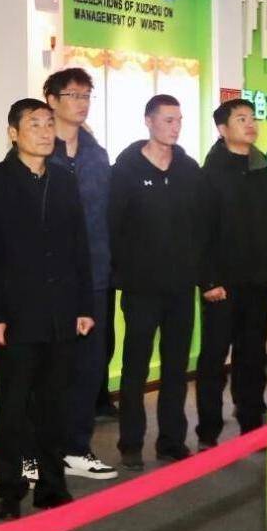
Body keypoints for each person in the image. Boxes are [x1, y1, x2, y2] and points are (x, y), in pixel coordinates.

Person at [0, 99, 95, 519]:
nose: (45, 132)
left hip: (61, 312)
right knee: (13, 407)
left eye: (48, 124)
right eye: (34, 125)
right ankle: (10, 490)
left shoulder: (64, 180)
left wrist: (84, 305)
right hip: (14, 316)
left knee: (54, 405)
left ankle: (51, 486)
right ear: (13, 133)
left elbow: (79, 246)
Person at [109, 94, 203, 470]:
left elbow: (200, 225)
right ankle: (131, 442)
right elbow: (113, 226)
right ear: (148, 121)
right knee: (135, 367)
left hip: (180, 287)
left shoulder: (189, 169)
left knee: (176, 367)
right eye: (167, 120)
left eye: (179, 120)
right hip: (141, 287)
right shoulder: (125, 169)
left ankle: (171, 440)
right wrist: (123, 272)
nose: (175, 127)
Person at [196, 98, 267, 449]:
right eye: (241, 119)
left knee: (253, 357)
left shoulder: (265, 171)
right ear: (223, 129)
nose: (251, 124)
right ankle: (208, 429)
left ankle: (252, 423)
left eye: (252, 118)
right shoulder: (209, 174)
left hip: (259, 280)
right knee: (214, 358)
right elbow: (200, 232)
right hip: (222, 284)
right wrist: (208, 280)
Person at [44, 68, 117, 481]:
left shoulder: (96, 153)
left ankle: (76, 448)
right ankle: (42, 454)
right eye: (73, 94)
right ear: (52, 100)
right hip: (50, 280)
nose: (82, 102)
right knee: (50, 369)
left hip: (95, 276)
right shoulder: (39, 150)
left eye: (86, 95)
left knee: (89, 368)